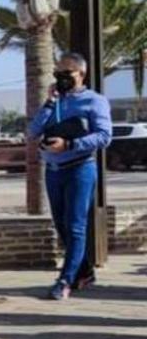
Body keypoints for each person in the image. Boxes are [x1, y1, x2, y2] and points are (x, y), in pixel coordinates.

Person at [28, 52, 111, 301]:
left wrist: (69, 144)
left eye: (67, 74)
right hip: (54, 172)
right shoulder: (55, 102)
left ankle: (65, 280)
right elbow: (33, 131)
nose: (61, 78)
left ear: (81, 74)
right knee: (62, 226)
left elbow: (104, 136)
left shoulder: (94, 101)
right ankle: (84, 271)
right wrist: (49, 103)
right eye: (58, 74)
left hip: (80, 169)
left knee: (75, 227)